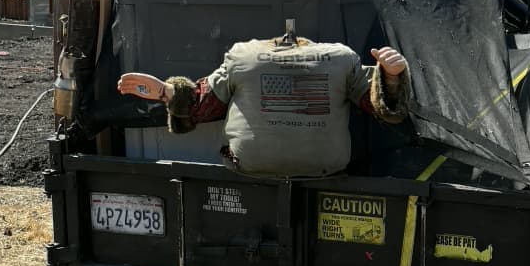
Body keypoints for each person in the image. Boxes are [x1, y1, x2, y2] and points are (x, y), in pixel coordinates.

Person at [118, 37, 410, 177]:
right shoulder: (341, 58)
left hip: (307, 178)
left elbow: (381, 104)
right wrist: (164, 91)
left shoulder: (340, 60)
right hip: (272, 178)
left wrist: (391, 77)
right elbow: (203, 101)